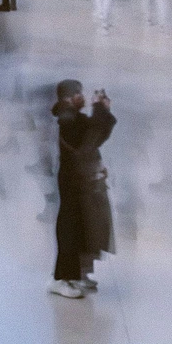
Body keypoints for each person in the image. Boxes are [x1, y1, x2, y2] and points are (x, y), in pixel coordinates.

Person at [48, 82, 116, 298]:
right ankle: (61, 279)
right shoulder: (68, 120)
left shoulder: (75, 118)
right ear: (67, 98)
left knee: (83, 229)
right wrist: (99, 110)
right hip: (73, 182)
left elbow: (96, 136)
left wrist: (103, 111)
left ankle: (77, 274)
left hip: (81, 181)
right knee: (71, 229)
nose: (82, 97)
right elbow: (87, 140)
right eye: (77, 93)